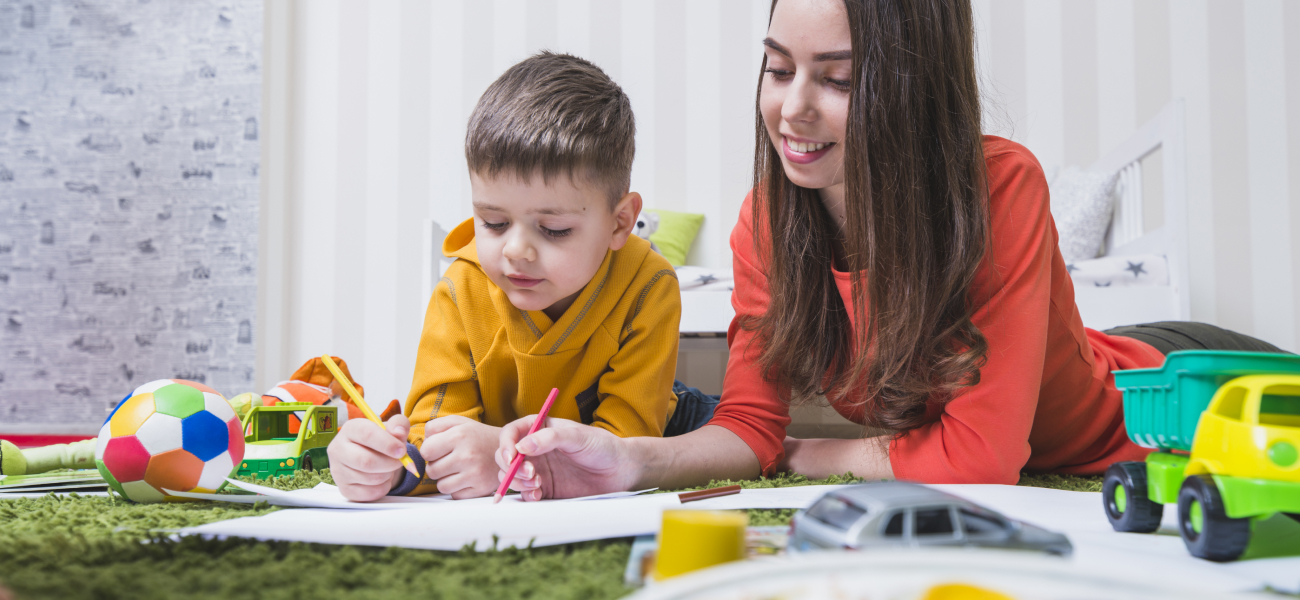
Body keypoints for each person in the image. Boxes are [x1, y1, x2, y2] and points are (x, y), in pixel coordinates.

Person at [494, 0, 1288, 501]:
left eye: (837, 80)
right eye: (777, 69)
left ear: (910, 87)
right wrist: (628, 459)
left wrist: (801, 452)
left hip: (1168, 393)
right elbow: (747, 425)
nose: (792, 110)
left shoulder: (998, 185)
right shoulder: (767, 222)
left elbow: (980, 460)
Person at [328, 52, 694, 501]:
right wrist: (387, 468)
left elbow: (625, 447)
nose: (515, 251)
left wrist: (505, 458)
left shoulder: (648, 286)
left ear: (620, 223)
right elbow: (432, 437)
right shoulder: (460, 291)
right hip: (514, 441)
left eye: (553, 230)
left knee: (725, 436)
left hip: (664, 418)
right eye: (494, 224)